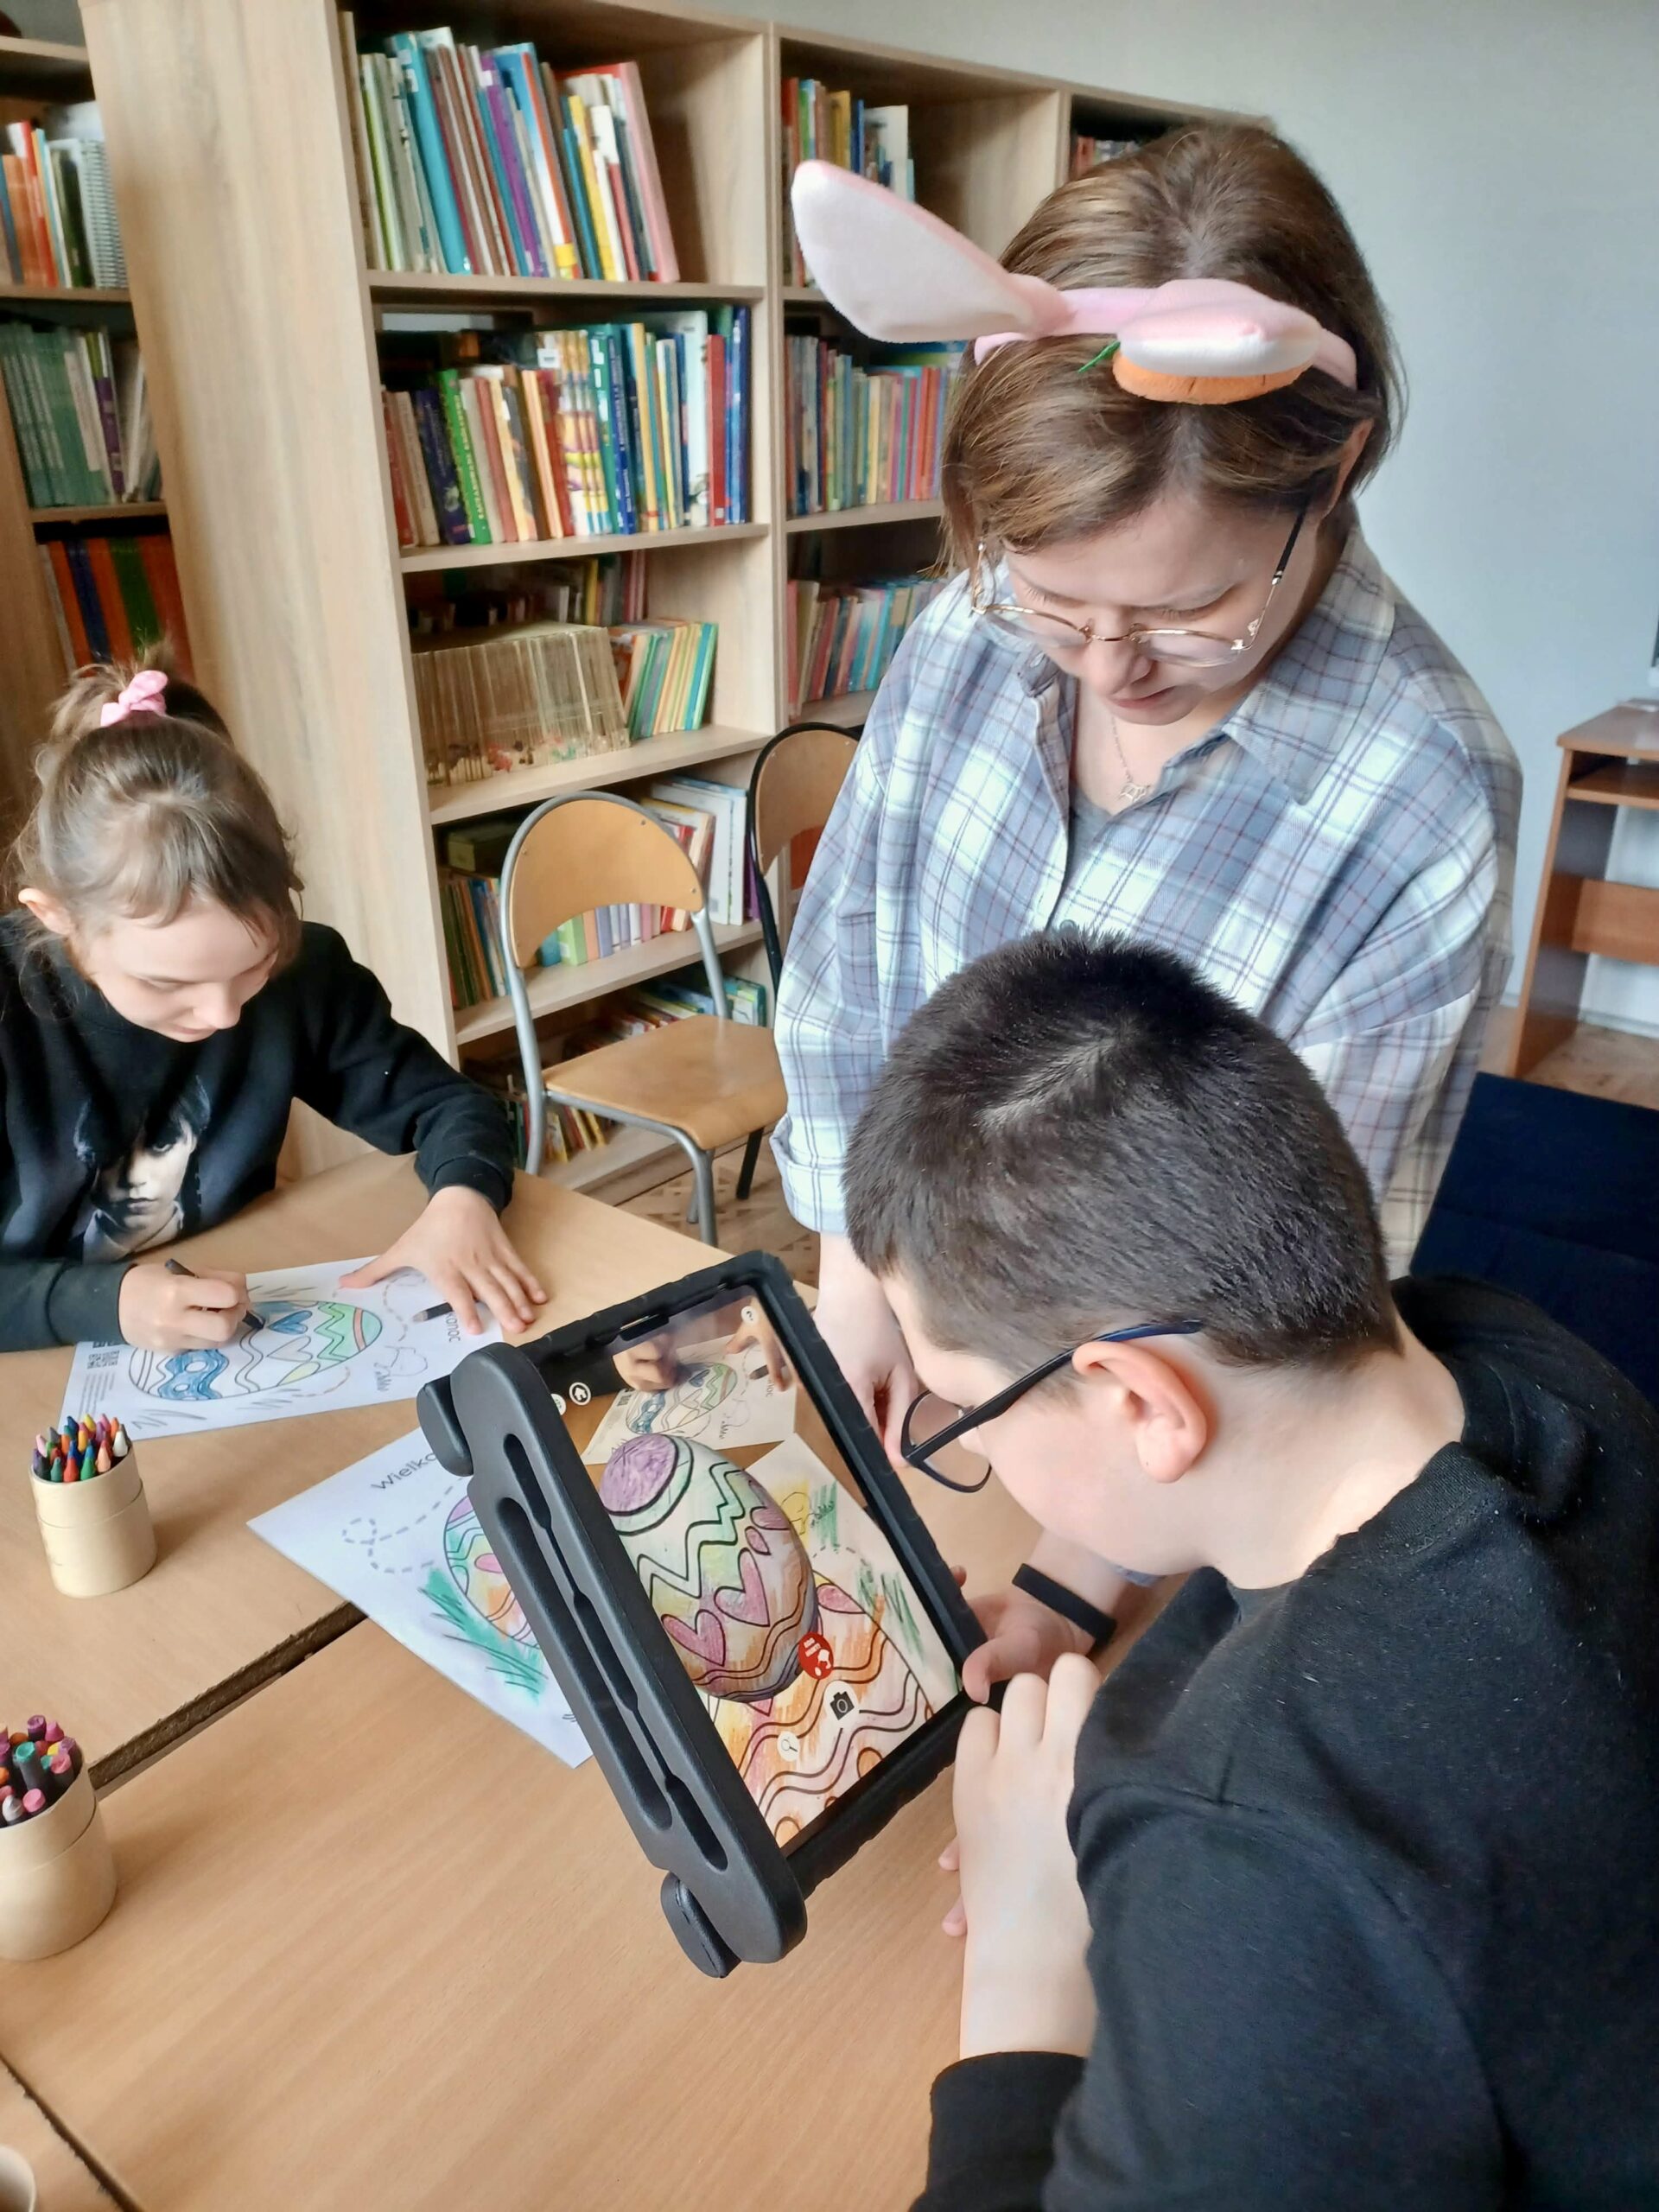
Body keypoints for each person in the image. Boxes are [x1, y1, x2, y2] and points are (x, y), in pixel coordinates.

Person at [774, 124, 1521, 1678]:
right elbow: (851, 966)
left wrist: (1066, 1590)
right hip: (939, 1364)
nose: (1112, 668)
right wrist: (858, 1284)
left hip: (1135, 1473)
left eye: (1193, 614)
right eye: (1058, 603)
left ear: (1333, 477)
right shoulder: (968, 631)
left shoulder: (1419, 794)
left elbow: (1284, 1310)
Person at [841, 928, 1659, 2210]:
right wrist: (1068, 1618)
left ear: (1141, 1401)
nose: (975, 1451)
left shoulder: (1255, 1862)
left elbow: (1262, 1844)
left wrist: (1024, 1963)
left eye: (966, 1412)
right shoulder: (1507, 1352)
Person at [0, 657, 545, 1353]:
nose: (223, 1015)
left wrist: (463, 1198)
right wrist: (104, 1304)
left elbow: (449, 1106)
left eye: (255, 966)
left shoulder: (304, 973)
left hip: (226, 1318)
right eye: (166, 985)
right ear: (56, 916)